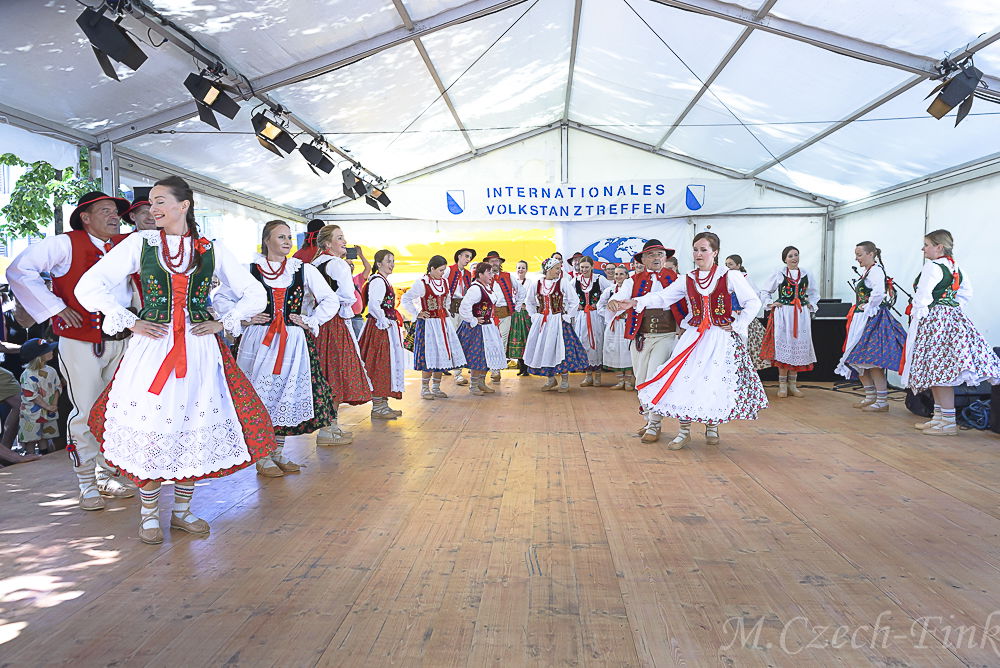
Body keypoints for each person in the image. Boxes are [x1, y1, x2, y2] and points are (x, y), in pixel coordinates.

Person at [76, 175, 274, 545]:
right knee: (153, 423)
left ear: (184, 205)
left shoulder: (210, 248)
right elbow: (88, 285)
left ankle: (182, 511)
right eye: (151, 202)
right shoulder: (141, 243)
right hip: (153, 347)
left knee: (192, 422)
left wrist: (223, 321)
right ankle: (149, 513)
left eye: (161, 201)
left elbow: (253, 293)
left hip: (200, 349)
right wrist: (129, 320)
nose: (154, 208)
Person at [8, 190, 136, 508]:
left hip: (122, 341)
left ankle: (108, 475)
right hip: (81, 341)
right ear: (85, 217)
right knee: (86, 410)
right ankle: (86, 482)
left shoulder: (125, 246)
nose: (114, 216)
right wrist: (53, 307)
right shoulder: (65, 243)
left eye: (116, 211)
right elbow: (19, 270)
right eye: (105, 210)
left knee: (114, 410)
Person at [610, 232, 768, 449]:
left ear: (715, 252)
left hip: (719, 337)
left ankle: (712, 425)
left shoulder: (729, 276)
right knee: (684, 380)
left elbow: (753, 302)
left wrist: (738, 324)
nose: (698, 254)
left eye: (704, 249)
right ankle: (684, 431)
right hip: (694, 336)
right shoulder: (688, 279)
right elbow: (663, 297)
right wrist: (634, 302)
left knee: (714, 381)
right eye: (695, 249)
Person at [220, 220, 339, 477]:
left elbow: (330, 299)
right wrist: (243, 317)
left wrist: (310, 320)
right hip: (257, 341)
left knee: (284, 393)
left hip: (292, 341)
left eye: (289, 237)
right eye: (281, 237)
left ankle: (276, 453)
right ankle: (262, 457)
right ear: (267, 240)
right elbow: (221, 297)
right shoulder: (249, 269)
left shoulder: (302, 270)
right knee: (258, 396)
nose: (287, 242)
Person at [902, 229, 1000, 436]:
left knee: (939, 371)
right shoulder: (955, 266)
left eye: (927, 245)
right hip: (950, 319)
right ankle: (940, 417)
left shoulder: (933, 266)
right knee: (937, 370)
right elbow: (966, 293)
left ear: (939, 247)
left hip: (933, 321)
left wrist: (920, 318)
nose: (923, 249)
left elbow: (923, 296)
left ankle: (947, 421)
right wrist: (951, 308)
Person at [611, 239, 686, 442]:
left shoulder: (677, 279)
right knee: (641, 380)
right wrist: (614, 302)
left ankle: (655, 424)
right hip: (641, 337)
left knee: (654, 377)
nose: (656, 258)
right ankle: (647, 418)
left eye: (660, 254)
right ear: (643, 259)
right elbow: (621, 295)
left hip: (666, 335)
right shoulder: (632, 280)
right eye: (652, 255)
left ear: (666, 258)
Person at [311, 225, 372, 441]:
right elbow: (348, 295)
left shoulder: (314, 264)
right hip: (334, 322)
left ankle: (329, 425)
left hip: (318, 324)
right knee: (336, 372)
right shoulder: (337, 264)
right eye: (340, 238)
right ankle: (328, 429)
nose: (344, 241)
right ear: (327, 244)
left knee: (325, 374)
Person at [835, 242, 907, 413]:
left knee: (873, 361)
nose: (856, 258)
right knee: (856, 359)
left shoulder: (876, 270)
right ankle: (870, 396)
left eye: (859, 254)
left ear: (870, 254)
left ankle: (882, 401)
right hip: (863, 319)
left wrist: (867, 307)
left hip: (873, 320)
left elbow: (879, 293)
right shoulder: (867, 271)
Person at [401, 255, 466, 399]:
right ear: (432, 268)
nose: (443, 273)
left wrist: (445, 311)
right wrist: (417, 313)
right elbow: (405, 298)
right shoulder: (422, 282)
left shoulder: (444, 282)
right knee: (429, 355)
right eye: (441, 270)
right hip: (429, 324)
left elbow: (447, 300)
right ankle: (424, 389)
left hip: (443, 322)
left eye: (444, 270)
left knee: (442, 355)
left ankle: (436, 387)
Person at [759, 246, 819, 398]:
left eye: (796, 255)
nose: (794, 258)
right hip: (784, 313)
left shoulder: (806, 273)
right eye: (790, 256)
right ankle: (782, 385)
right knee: (784, 348)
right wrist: (770, 303)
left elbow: (813, 293)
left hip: (800, 314)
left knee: (796, 347)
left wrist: (811, 304)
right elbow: (765, 291)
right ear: (785, 259)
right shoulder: (779, 273)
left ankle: (793, 385)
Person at [522, 258, 589, 391]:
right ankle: (550, 380)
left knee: (561, 349)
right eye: (557, 268)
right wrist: (534, 315)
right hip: (543, 322)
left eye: (560, 268)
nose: (559, 271)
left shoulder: (562, 282)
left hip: (559, 321)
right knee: (545, 349)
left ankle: (564, 381)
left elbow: (574, 300)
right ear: (548, 269)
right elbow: (529, 301)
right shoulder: (537, 283)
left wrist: (568, 315)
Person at [358, 250, 405, 419]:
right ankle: (378, 407)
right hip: (379, 328)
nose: (392, 264)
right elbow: (373, 305)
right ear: (379, 264)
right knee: (379, 364)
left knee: (386, 364)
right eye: (388, 261)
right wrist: (384, 321)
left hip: (385, 326)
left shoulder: (383, 280)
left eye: (393, 261)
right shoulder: (378, 281)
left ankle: (383, 405)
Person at [456, 263, 507, 395]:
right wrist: (473, 320)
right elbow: (464, 307)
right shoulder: (475, 289)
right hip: (477, 328)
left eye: (492, 273)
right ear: (480, 274)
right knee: (477, 356)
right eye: (489, 273)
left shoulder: (487, 288)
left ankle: (481, 382)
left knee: (486, 356)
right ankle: (473, 386)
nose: (492, 275)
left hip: (488, 326)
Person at [17, 338, 62, 456]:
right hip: (32, 414)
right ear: (38, 356)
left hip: (48, 411)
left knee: (45, 437)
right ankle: (30, 458)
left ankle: (45, 457)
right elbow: (31, 394)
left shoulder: (51, 370)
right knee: (31, 439)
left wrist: (54, 405)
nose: (52, 351)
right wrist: (48, 406)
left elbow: (58, 387)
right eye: (47, 350)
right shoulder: (27, 374)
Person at [573, 255, 612, 387]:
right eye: (582, 267)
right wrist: (575, 305)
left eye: (586, 267)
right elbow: (568, 297)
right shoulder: (575, 281)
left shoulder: (599, 279)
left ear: (592, 267)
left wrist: (602, 306)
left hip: (596, 316)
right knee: (584, 343)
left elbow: (611, 292)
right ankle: (588, 376)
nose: (583, 270)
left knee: (597, 342)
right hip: (582, 317)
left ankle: (598, 376)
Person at [724, 255, 768, 372]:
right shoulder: (725, 278)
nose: (728, 267)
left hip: (743, 316)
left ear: (738, 265)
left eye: (731, 264)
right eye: (726, 264)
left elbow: (755, 295)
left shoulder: (745, 278)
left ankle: (746, 373)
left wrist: (744, 308)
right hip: (731, 315)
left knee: (747, 346)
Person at [484, 250, 519, 383]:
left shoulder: (508, 276)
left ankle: (496, 370)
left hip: (505, 313)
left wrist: (516, 305)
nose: (494, 263)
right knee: (490, 341)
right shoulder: (483, 277)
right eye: (492, 261)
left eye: (496, 261)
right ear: (487, 263)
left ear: (500, 263)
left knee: (502, 341)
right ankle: (490, 368)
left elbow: (520, 290)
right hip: (490, 315)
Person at [597, 264, 634, 390]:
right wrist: (610, 315)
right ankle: (620, 381)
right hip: (614, 324)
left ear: (627, 276)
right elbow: (600, 305)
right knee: (614, 350)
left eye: (621, 274)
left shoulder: (632, 290)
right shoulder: (610, 290)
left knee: (627, 351)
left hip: (627, 324)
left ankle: (628, 382)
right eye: (616, 274)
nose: (618, 276)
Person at [446, 248, 475, 386]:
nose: (468, 259)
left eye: (470, 257)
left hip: (463, 309)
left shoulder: (469, 274)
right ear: (459, 256)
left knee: (463, 339)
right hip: (451, 309)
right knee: (453, 340)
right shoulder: (448, 270)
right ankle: (456, 373)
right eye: (466, 256)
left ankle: (459, 372)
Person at [508, 259, 533, 376]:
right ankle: (520, 366)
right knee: (516, 338)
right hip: (514, 313)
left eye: (523, 268)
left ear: (527, 270)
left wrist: (525, 305)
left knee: (525, 338)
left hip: (525, 313)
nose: (520, 270)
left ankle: (527, 367)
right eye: (518, 267)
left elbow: (533, 298)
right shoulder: (512, 282)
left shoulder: (530, 283)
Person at [347, 246, 372, 339]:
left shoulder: (357, 279)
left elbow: (368, 268)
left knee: (360, 343)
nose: (351, 267)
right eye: (348, 265)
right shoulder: (338, 281)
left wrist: (360, 255)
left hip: (357, 318)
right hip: (347, 318)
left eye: (352, 264)